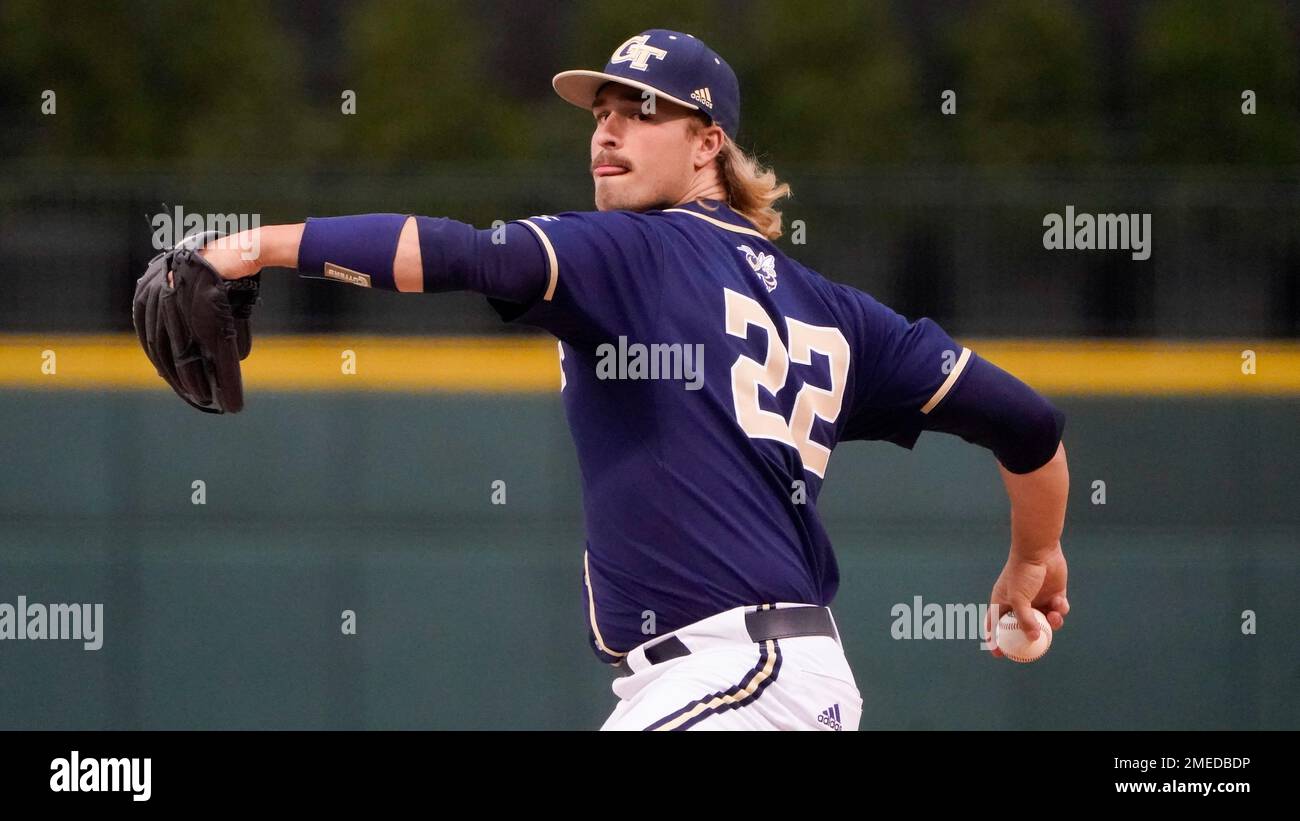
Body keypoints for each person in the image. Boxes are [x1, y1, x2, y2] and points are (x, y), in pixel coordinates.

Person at [197, 29, 1070, 731]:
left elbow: (460, 254)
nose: (608, 129)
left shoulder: (632, 249)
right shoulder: (839, 312)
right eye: (601, 111)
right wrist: (1035, 554)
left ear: (708, 144)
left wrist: (250, 245)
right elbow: (1028, 425)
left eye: (643, 110)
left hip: (740, 676)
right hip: (758, 683)